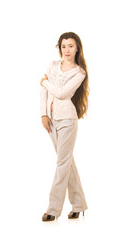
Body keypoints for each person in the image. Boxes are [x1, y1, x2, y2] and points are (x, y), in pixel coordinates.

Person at [40, 32, 90, 221]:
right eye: (63, 46)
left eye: (71, 46)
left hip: (68, 120)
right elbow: (43, 93)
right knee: (67, 162)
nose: (67, 49)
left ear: (77, 48)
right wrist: (44, 114)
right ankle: (79, 205)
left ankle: (53, 209)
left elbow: (62, 93)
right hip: (51, 120)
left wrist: (45, 81)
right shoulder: (53, 65)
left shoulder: (79, 72)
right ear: (59, 47)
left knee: (62, 163)